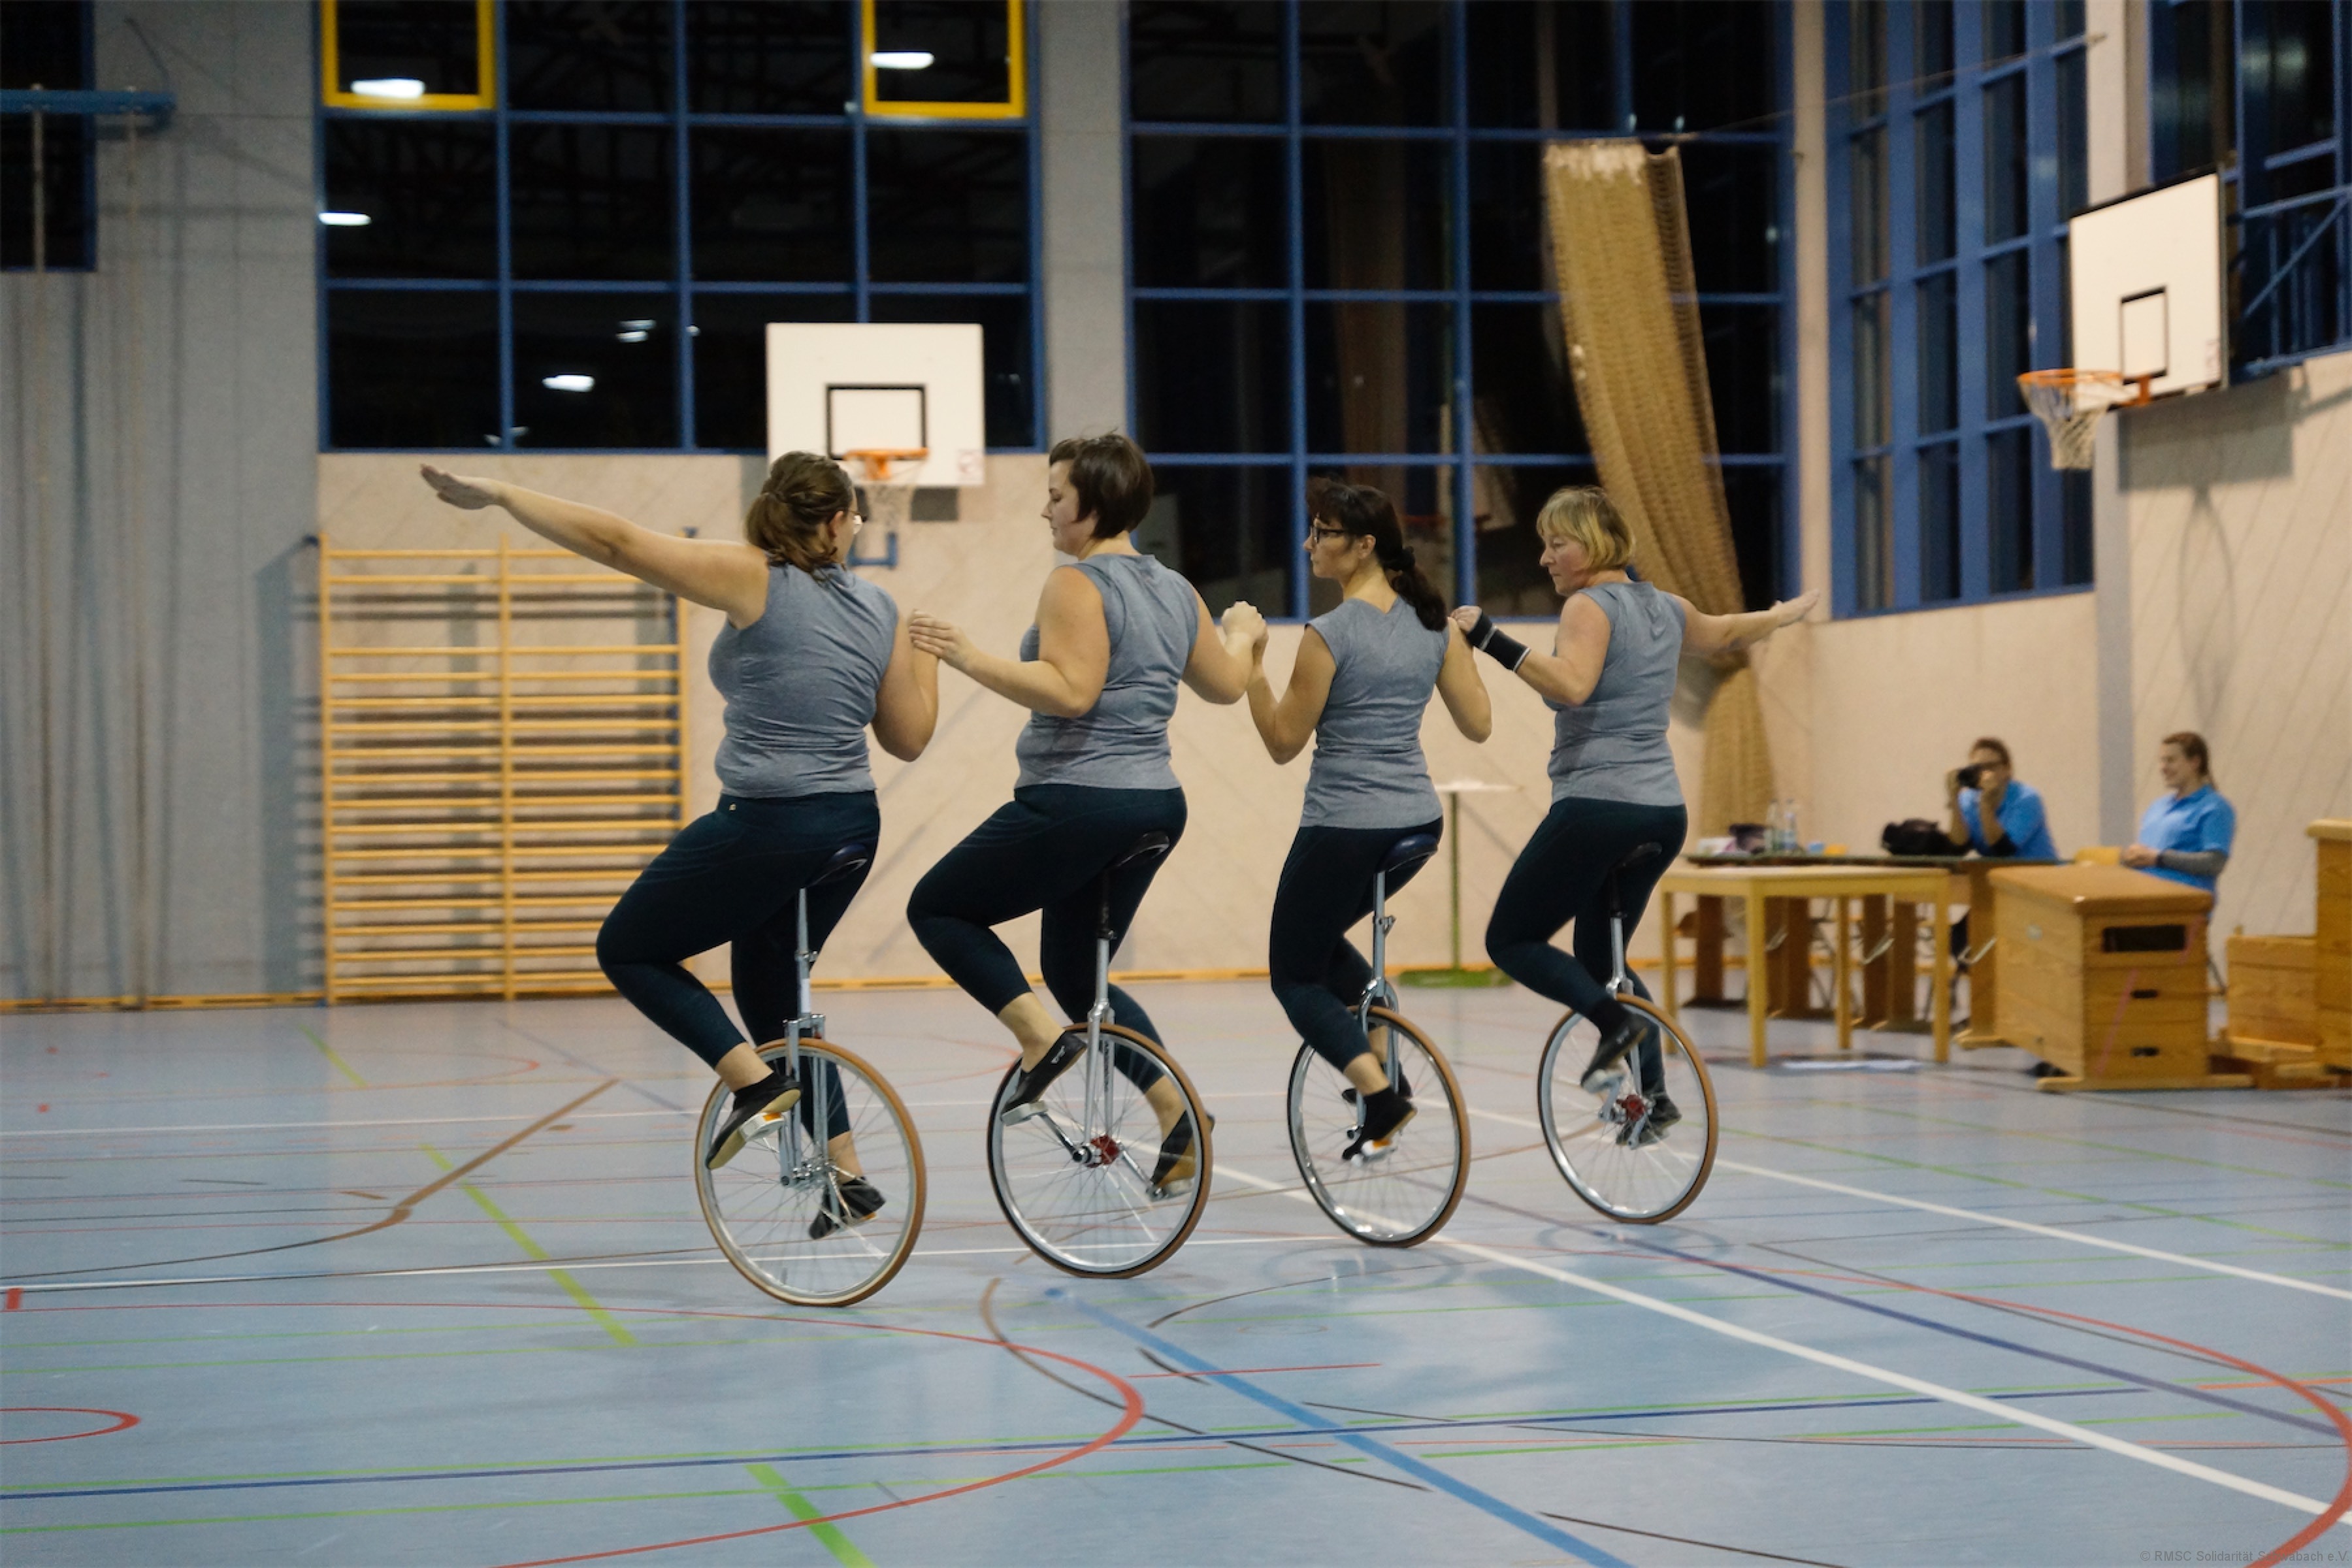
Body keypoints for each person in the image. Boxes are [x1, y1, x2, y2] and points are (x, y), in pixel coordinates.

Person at [417, 457, 938, 1227]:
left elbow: (618, 543)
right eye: (855, 518)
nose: (856, 530)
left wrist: (501, 492)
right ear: (834, 523)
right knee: (772, 992)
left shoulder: (755, 577)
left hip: (769, 823)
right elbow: (908, 739)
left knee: (629, 949)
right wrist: (926, 656)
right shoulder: (879, 606)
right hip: (852, 828)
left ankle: (754, 1085)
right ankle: (846, 1175)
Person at [904, 434, 1256, 1191]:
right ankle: (1180, 1118)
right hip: (1156, 804)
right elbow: (1229, 685)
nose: (1046, 510)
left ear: (1093, 505)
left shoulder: (1075, 583)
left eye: (1056, 497)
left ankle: (1040, 1042)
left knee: (938, 908)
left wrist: (968, 656)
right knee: (1076, 972)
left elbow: (1071, 692)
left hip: (1080, 798)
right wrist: (1244, 634)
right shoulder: (1174, 587)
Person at [1454, 486, 1814, 1142]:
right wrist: (1782, 615)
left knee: (1511, 940)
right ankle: (1655, 1097)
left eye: (1556, 544)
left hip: (1599, 805)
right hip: (1661, 814)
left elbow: (1572, 685)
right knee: (1602, 960)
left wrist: (1488, 638)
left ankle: (1614, 1024)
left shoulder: (1587, 606)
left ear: (1593, 546)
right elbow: (1727, 632)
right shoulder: (1667, 607)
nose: (1544, 559)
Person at [1238, 479, 1491, 1158]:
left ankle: (1379, 1096)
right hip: (1418, 824)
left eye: (1323, 532)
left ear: (1364, 545)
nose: (1309, 544)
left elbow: (1283, 742)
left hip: (1345, 826)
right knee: (1321, 944)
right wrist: (1460, 646)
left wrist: (1254, 666)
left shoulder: (1330, 634)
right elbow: (1479, 724)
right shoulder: (1435, 627)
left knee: (1294, 974)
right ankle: (1385, 1052)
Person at [2125, 731, 2235, 893]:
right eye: (2162, 761)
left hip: (2184, 903)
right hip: (2145, 900)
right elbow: (2144, 857)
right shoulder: (2157, 807)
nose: (2163, 768)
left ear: (2195, 762)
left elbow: (2214, 862)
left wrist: (2159, 858)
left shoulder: (2214, 808)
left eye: (2171, 760)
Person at [1942, 737, 2058, 860]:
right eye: (1977, 768)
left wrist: (1985, 804)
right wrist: (1954, 799)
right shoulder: (1968, 799)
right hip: (1996, 870)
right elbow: (1959, 848)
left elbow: (2003, 849)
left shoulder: (2027, 798)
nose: (1983, 774)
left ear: (2007, 769)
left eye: (1990, 767)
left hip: (2038, 869)